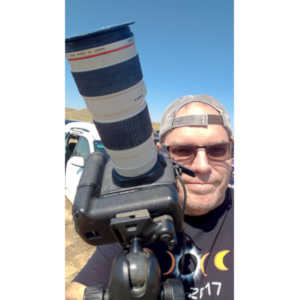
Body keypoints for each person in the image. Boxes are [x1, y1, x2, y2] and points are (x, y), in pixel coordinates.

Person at [66, 95, 234, 300]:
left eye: (217, 150)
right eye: (183, 151)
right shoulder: (136, 212)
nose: (202, 166)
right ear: (160, 153)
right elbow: (74, 291)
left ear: (231, 150)